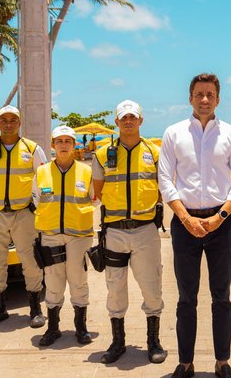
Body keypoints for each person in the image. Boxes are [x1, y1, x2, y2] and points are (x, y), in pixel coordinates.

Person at [158, 73, 231, 378]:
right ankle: (185, 364)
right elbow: (165, 181)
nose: (205, 99)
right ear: (190, 98)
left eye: (210, 94)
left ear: (218, 99)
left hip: (220, 223)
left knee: (221, 296)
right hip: (184, 223)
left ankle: (223, 362)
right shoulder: (173, 133)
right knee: (186, 298)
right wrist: (185, 218)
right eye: (199, 94)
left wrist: (218, 218)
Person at [92, 100, 166, 364]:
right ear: (117, 122)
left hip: (145, 230)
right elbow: (98, 190)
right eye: (124, 118)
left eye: (133, 117)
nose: (128, 121)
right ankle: (118, 342)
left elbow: (162, 189)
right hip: (114, 231)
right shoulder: (102, 154)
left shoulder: (155, 152)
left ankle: (153, 341)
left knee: (151, 286)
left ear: (141, 120)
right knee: (115, 287)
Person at [0, 105, 47, 329]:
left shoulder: (32, 149)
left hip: (24, 214)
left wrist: (33, 204)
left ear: (19, 123)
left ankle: (35, 307)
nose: (8, 123)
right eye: (3, 119)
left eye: (12, 119)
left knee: (31, 260)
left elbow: (43, 179)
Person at [33, 125, 95, 347]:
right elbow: (35, 199)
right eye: (59, 141)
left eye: (68, 141)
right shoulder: (41, 172)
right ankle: (53, 328)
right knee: (53, 282)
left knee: (78, 281)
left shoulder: (86, 172)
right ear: (52, 145)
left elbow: (95, 200)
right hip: (50, 236)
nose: (64, 145)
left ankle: (81, 328)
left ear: (74, 145)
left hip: (79, 236)